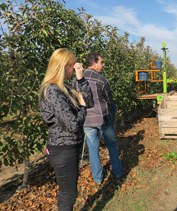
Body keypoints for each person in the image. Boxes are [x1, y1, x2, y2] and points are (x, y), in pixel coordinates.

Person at [39, 48, 92, 210]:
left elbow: (88, 101)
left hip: (70, 147)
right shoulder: (53, 91)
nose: (74, 68)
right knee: (68, 194)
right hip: (63, 149)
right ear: (63, 66)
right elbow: (73, 124)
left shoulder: (65, 88)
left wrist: (81, 79)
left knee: (70, 192)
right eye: (72, 65)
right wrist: (82, 109)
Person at [82, 52, 123, 184]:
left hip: (87, 120)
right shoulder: (101, 79)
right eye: (101, 62)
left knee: (92, 147)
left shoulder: (77, 79)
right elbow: (109, 99)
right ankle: (117, 172)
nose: (103, 65)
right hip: (103, 118)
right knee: (111, 144)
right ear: (94, 63)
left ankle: (98, 178)